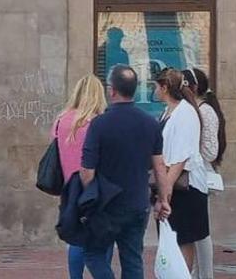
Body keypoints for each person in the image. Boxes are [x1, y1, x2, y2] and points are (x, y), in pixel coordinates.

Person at [79, 65, 171, 279]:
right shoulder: (150, 123)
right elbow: (159, 166)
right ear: (135, 90)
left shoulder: (99, 124)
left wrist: (88, 196)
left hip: (106, 203)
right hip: (138, 203)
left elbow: (87, 170)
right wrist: (163, 199)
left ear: (111, 90)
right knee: (132, 260)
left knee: (93, 253)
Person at [53, 75, 109, 279]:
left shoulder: (61, 120)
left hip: (70, 187)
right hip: (96, 187)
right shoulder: (99, 121)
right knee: (102, 239)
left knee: (75, 237)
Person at [158, 69, 209, 273]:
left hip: (184, 187)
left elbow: (181, 157)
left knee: (183, 239)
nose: (155, 90)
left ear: (165, 87)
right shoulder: (168, 111)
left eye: (157, 86)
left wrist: (165, 190)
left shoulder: (186, 113)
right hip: (170, 182)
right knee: (171, 238)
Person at [185, 68, 226, 279]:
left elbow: (211, 151)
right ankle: (196, 272)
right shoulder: (191, 110)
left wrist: (190, 148)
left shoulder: (206, 111)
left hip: (200, 173)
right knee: (194, 228)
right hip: (192, 173)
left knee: (201, 230)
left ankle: (206, 274)